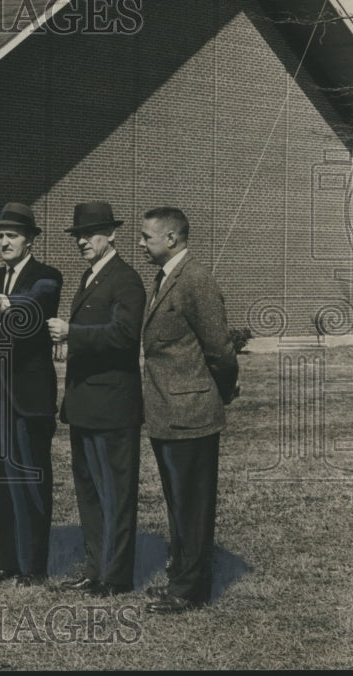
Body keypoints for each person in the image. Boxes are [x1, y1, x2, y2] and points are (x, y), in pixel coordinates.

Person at [139, 206, 240, 614]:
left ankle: (189, 590)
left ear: (172, 239)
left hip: (192, 413)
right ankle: (181, 577)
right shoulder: (164, 278)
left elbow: (220, 349)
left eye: (147, 237)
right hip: (167, 411)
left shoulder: (195, 279)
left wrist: (219, 392)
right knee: (178, 500)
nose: (142, 245)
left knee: (192, 503)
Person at [49, 202, 146, 597]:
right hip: (86, 405)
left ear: (112, 235)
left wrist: (72, 332)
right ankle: (96, 568)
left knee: (115, 495)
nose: (82, 241)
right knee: (89, 493)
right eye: (78, 236)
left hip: (113, 408)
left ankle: (116, 577)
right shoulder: (91, 278)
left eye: (90, 234)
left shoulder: (125, 280)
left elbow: (124, 335)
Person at [0, 202, 62, 586]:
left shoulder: (47, 278)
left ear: (30, 240)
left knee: (31, 478)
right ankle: (6, 563)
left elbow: (33, 310)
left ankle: (33, 566)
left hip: (29, 396)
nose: (3, 242)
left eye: (12, 235)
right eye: (0, 235)